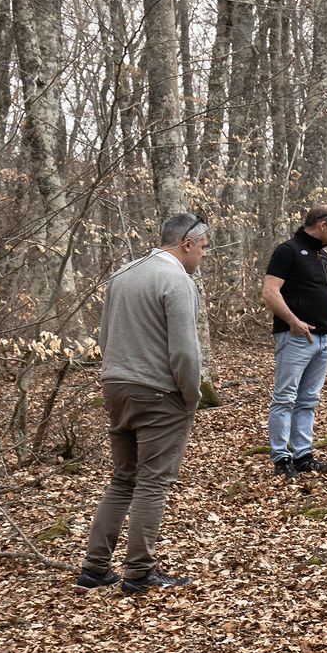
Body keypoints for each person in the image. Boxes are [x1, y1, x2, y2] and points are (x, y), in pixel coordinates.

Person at [75, 214, 210, 595]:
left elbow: (104, 335)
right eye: (202, 248)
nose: (202, 256)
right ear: (186, 243)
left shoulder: (123, 273)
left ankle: (95, 569)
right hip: (158, 394)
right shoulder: (176, 281)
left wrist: (114, 377)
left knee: (123, 479)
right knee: (152, 483)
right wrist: (191, 396)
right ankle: (139, 571)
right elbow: (185, 350)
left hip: (116, 386)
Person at [263, 204, 327, 479]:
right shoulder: (288, 251)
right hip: (295, 338)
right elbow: (270, 292)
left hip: (323, 339)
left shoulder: (324, 258)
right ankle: (282, 459)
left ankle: (303, 455)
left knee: (308, 399)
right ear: (322, 226)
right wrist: (293, 322)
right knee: (285, 398)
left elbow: (322, 294)